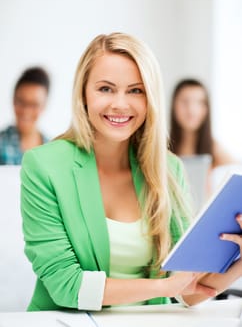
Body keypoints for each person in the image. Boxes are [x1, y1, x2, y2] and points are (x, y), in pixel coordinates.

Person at [20, 33, 242, 312]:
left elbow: (189, 290)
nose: (120, 104)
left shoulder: (168, 168)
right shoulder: (44, 165)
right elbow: (66, 286)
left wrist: (239, 262)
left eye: (136, 90)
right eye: (105, 89)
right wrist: (164, 287)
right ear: (83, 94)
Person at [169, 78, 236, 168]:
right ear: (173, 106)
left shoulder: (214, 148)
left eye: (200, 103)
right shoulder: (161, 146)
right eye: (185, 102)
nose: (191, 110)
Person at [0, 67, 50, 165]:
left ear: (44, 106)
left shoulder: (51, 149)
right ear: (13, 100)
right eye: (21, 102)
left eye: (34, 105)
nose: (26, 111)